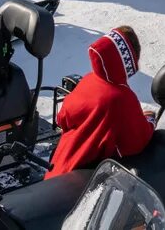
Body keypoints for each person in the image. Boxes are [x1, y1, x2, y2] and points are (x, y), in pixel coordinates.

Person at [47, 27, 155, 177]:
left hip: (59, 166)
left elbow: (62, 118)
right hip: (81, 180)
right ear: (128, 61)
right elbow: (135, 142)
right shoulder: (121, 98)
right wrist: (149, 120)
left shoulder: (88, 80)